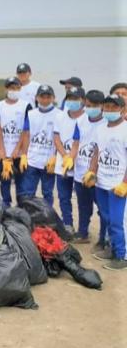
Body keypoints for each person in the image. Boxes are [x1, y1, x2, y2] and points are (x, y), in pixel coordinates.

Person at [83, 94, 127, 270]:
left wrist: (125, 183)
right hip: (101, 182)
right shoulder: (101, 129)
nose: (109, 110)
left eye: (114, 107)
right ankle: (112, 249)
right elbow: (96, 152)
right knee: (106, 218)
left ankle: (122, 256)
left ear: (122, 109)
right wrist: (92, 171)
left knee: (117, 221)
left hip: (118, 185)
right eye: (107, 106)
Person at [73, 90, 107, 248]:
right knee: (83, 205)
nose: (90, 108)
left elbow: (102, 149)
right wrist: (69, 158)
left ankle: (103, 239)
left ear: (102, 106)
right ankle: (82, 233)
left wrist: (93, 171)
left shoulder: (106, 123)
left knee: (103, 209)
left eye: (94, 105)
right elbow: (76, 142)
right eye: (88, 105)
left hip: (99, 176)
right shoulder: (80, 120)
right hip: (80, 172)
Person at [0, 76, 32, 206]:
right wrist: (2, 150)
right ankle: (6, 205)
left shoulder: (26, 106)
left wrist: (17, 149)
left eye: (16, 88)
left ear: (20, 89)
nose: (13, 90)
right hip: (3, 153)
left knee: (21, 182)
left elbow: (26, 130)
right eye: (11, 88)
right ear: (6, 89)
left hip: (19, 154)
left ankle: (21, 206)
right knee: (4, 181)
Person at [18, 84, 59, 206]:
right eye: (42, 97)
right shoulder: (31, 114)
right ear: (36, 98)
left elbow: (61, 137)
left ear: (53, 98)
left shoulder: (59, 114)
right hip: (32, 161)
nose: (45, 100)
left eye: (48, 97)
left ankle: (47, 215)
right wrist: (24, 155)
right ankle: (28, 213)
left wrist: (56, 156)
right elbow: (26, 134)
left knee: (47, 193)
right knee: (28, 193)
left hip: (48, 162)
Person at [53, 86, 85, 235]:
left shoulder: (87, 118)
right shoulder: (60, 116)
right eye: (70, 98)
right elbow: (56, 138)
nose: (73, 101)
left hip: (81, 166)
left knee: (83, 201)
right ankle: (68, 224)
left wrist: (72, 158)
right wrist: (65, 156)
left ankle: (83, 230)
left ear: (83, 100)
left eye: (76, 98)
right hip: (63, 164)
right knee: (64, 197)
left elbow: (79, 143)